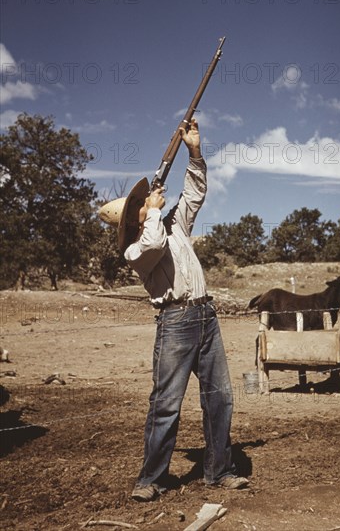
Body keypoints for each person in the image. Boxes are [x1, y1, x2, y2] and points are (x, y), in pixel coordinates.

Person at [99, 119, 249, 502]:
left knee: (220, 398)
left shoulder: (172, 225)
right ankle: (151, 479)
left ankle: (219, 472)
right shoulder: (136, 250)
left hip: (206, 317)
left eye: (143, 202)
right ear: (133, 221)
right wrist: (152, 212)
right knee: (166, 403)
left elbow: (195, 194)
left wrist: (194, 151)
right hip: (176, 321)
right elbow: (151, 246)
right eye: (138, 207)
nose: (145, 205)